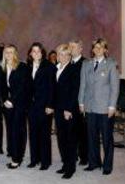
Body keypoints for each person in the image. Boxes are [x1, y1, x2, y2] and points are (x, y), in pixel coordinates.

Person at [79, 38, 119, 175]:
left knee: (107, 138)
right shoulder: (86, 64)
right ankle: (94, 162)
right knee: (91, 137)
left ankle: (107, 166)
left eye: (100, 47)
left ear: (105, 50)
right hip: (90, 107)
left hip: (105, 108)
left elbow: (115, 88)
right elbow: (83, 85)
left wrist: (112, 106)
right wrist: (81, 102)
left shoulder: (111, 64)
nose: (97, 50)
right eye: (95, 47)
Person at [26, 42, 56, 171]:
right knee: (33, 133)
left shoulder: (49, 66)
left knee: (44, 134)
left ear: (42, 52)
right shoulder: (28, 67)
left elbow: (52, 88)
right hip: (31, 106)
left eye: (38, 51)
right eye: (33, 51)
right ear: (30, 53)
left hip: (45, 106)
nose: (36, 53)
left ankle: (45, 161)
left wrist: (50, 105)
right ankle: (34, 159)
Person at [1, 45, 29, 169]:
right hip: (7, 104)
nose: (9, 54)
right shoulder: (2, 68)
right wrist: (5, 100)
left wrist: (12, 100)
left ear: (15, 54)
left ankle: (17, 158)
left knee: (18, 130)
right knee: (10, 129)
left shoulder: (22, 67)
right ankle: (13, 152)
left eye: (11, 52)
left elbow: (22, 87)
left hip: (19, 103)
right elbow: (2, 87)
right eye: (7, 52)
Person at [53, 44, 78, 179]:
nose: (61, 57)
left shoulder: (73, 69)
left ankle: (71, 168)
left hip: (68, 109)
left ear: (69, 56)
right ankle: (65, 164)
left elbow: (74, 91)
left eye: (64, 54)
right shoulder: (56, 68)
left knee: (69, 139)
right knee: (61, 138)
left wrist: (68, 109)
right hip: (58, 108)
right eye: (59, 54)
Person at [69, 40, 88, 166]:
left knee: (82, 132)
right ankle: (73, 155)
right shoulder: (66, 63)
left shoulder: (86, 63)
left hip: (81, 103)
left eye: (74, 47)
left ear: (80, 49)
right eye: (70, 46)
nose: (71, 49)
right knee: (70, 131)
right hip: (69, 103)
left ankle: (84, 157)